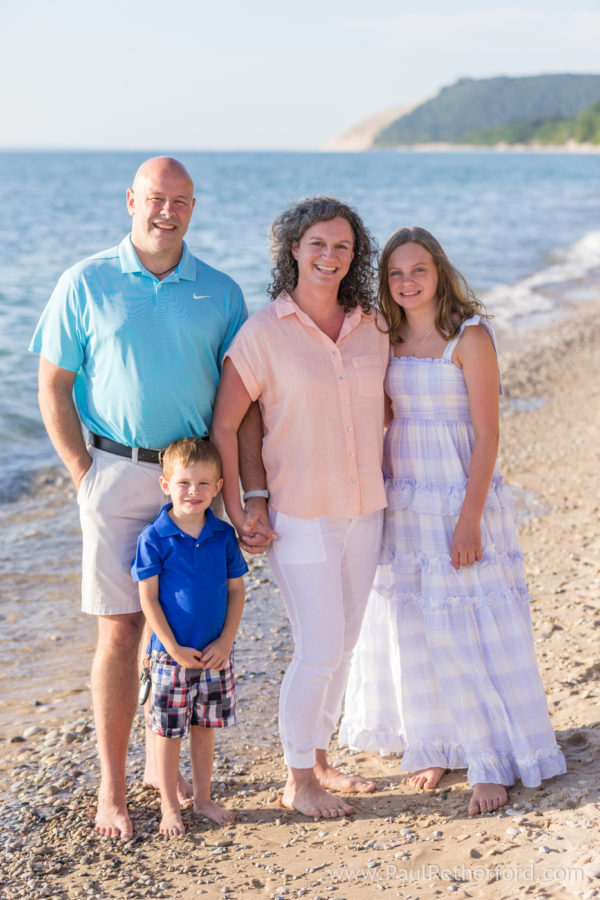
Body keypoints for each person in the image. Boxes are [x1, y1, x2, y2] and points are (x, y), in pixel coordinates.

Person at [29, 156, 270, 839]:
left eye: (181, 201)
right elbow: (52, 386)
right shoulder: (85, 281)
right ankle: (113, 790)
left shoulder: (220, 292)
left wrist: (249, 492)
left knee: (191, 627)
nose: (168, 211)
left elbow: (244, 404)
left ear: (193, 208)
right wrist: (83, 473)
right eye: (156, 198)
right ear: (131, 200)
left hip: (197, 481)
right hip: (117, 471)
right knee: (121, 628)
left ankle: (170, 777)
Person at [339, 227, 567, 815]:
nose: (407, 282)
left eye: (418, 269)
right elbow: (381, 416)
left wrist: (470, 518)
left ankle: (488, 757)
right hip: (405, 496)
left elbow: (488, 434)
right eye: (395, 273)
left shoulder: (471, 336)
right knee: (415, 617)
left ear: (439, 270)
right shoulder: (387, 336)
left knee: (465, 616)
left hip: (460, 496)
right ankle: (436, 740)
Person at [212, 196, 389, 818]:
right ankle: (297, 780)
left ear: (354, 255)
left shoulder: (374, 325)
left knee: (345, 644)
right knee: (318, 646)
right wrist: (242, 506)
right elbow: (226, 425)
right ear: (293, 249)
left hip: (367, 507)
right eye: (317, 243)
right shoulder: (263, 333)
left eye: (342, 246)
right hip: (300, 513)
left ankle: (319, 758)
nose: (329, 256)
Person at [131, 438, 247, 836]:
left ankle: (203, 798)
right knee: (167, 733)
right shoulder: (154, 537)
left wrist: (226, 641)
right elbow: (148, 598)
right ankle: (169, 806)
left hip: (215, 652)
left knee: (204, 728)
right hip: (171, 655)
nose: (192, 491)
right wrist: (172, 647)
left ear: (217, 488)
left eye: (202, 484)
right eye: (183, 483)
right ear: (166, 485)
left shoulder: (223, 535)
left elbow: (236, 591)